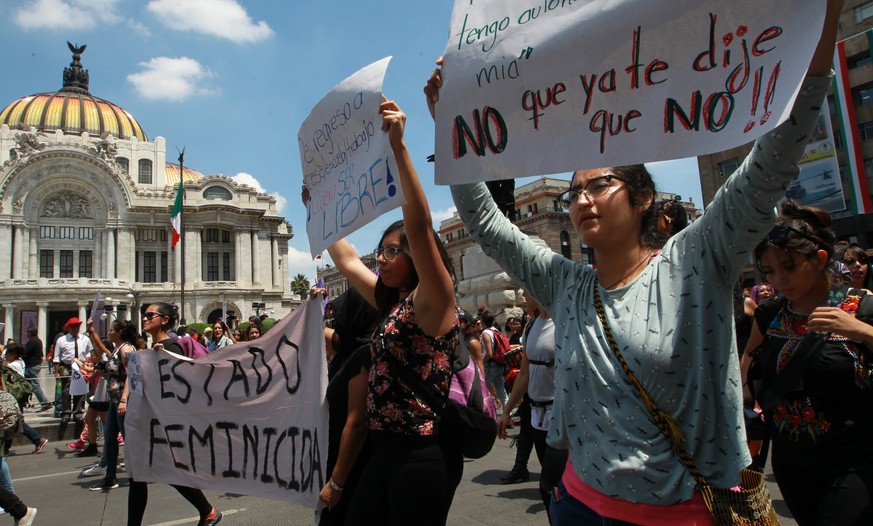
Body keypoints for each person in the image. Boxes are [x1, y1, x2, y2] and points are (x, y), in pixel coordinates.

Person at [425, 2, 840, 522]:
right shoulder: (564, 284)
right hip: (575, 504)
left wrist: (820, 27)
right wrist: (451, 130)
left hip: (684, 512)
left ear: (642, 197)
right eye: (573, 193)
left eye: (599, 185)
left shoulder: (697, 260)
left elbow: (773, 160)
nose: (581, 201)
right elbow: (488, 225)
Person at [304, 96, 458, 525]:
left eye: (393, 251)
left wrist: (398, 147)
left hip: (419, 459)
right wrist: (317, 209)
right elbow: (347, 261)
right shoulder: (394, 304)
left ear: (417, 256)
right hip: (382, 453)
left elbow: (419, 224)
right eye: (381, 251)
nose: (382, 260)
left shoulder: (435, 300)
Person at [740, 201, 873, 525]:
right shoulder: (769, 315)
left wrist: (862, 330)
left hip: (854, 461)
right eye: (771, 271)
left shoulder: (862, 306)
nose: (780, 279)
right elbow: (746, 378)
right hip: (791, 463)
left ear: (820, 259)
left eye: (790, 267)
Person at [129, 302, 222, 526]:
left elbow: (180, 386)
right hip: (148, 420)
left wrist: (162, 361)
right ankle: (207, 510)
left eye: (150, 315)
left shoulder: (171, 347)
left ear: (165, 320)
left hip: (162, 422)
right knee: (143, 475)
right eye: (144, 315)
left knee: (151, 473)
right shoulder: (152, 349)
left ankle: (207, 510)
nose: (144, 318)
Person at [497, 292, 567, 520]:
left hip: (560, 413)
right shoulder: (532, 326)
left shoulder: (563, 322)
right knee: (552, 486)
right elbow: (524, 372)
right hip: (537, 413)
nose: (524, 297)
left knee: (551, 485)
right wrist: (506, 411)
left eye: (527, 292)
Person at [317, 287, 378, 526]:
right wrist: (314, 305)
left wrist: (336, 483)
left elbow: (356, 424)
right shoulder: (347, 345)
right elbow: (317, 330)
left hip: (352, 465)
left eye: (340, 313)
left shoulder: (364, 354)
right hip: (337, 454)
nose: (336, 318)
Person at [84, 318, 136, 491]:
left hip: (123, 401)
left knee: (128, 438)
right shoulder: (118, 349)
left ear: (119, 332)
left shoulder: (127, 349)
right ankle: (110, 476)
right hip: (114, 401)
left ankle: (140, 473)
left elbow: (131, 375)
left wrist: (124, 399)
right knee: (110, 438)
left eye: (112, 329)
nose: (109, 332)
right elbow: (101, 349)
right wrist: (92, 332)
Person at [2, 345, 48, 455]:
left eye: (7, 353)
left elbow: (7, 380)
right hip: (18, 395)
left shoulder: (13, 365)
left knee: (15, 421)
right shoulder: (20, 362)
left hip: (14, 396)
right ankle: (5, 449)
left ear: (13, 354)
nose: (6, 356)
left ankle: (38, 440)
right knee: (13, 421)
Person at [53, 317, 92, 423]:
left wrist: (86, 362)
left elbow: (89, 352)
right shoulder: (61, 340)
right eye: (73, 326)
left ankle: (78, 412)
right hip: (67, 366)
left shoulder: (85, 339)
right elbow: (57, 357)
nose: (76, 328)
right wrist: (56, 371)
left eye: (77, 326)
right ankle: (66, 412)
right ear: (69, 328)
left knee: (80, 390)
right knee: (66, 391)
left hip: (80, 366)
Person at [479, 310, 507, 410]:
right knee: (501, 391)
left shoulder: (485, 333)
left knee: (480, 389)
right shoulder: (496, 330)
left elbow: (489, 353)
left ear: (483, 321)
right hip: (499, 365)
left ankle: (483, 414)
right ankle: (507, 415)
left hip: (490, 366)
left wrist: (480, 361)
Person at [22, 328, 50, 411]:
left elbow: (25, 352)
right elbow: (41, 353)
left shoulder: (32, 341)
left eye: (27, 332)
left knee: (35, 386)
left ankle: (44, 403)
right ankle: (27, 402)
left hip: (31, 366)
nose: (26, 334)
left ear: (30, 333)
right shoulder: (38, 341)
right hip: (35, 365)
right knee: (28, 385)